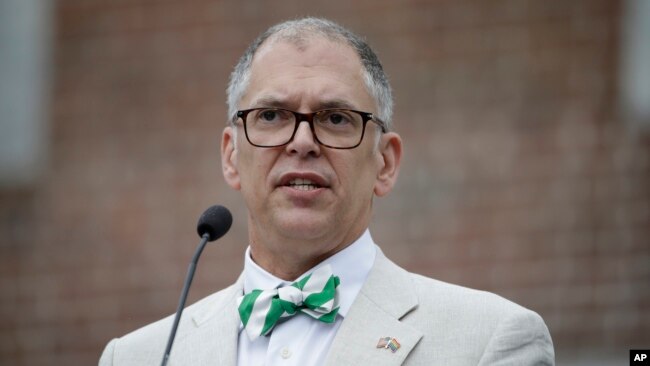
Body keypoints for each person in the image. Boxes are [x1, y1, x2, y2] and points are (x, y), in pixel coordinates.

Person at [99, 17, 555, 365]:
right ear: (230, 155)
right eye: (272, 115)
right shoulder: (137, 357)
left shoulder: (490, 340)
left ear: (385, 162)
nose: (301, 142)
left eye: (335, 118)